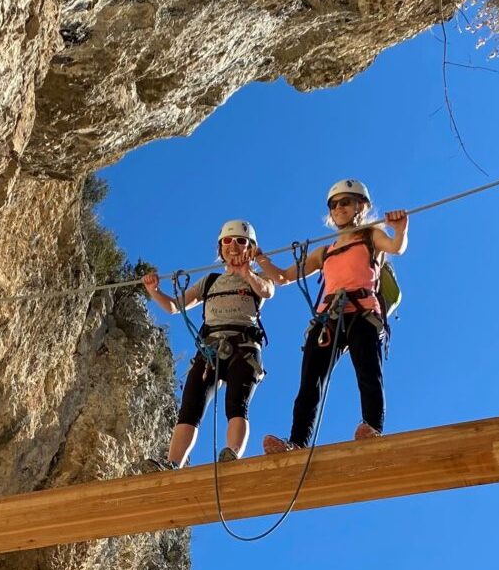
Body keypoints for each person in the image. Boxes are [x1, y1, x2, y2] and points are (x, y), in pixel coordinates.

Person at [263, 178, 408, 453]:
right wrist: (259, 259)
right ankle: (297, 442)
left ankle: (373, 427)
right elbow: (283, 277)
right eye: (334, 204)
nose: (339, 207)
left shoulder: (371, 236)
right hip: (328, 317)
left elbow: (396, 248)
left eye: (346, 202)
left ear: (360, 206)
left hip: (362, 311)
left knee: (368, 371)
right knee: (310, 382)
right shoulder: (324, 252)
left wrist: (401, 230)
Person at [141, 219, 280, 466]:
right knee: (190, 408)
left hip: (243, 346)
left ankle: (232, 454)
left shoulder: (258, 278)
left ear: (250, 247)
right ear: (220, 248)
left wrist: (246, 272)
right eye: (227, 241)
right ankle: (173, 464)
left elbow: (267, 291)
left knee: (236, 404)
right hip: (209, 350)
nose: (233, 246)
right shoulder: (209, 281)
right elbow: (175, 306)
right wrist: (154, 290)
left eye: (241, 241)